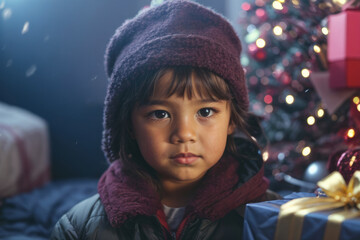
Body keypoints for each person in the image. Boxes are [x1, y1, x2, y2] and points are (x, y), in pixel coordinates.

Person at [51, 0, 276, 239]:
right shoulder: (80, 228)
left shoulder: (273, 219)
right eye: (160, 114)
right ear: (129, 125)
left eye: (206, 112)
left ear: (232, 119)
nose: (184, 134)